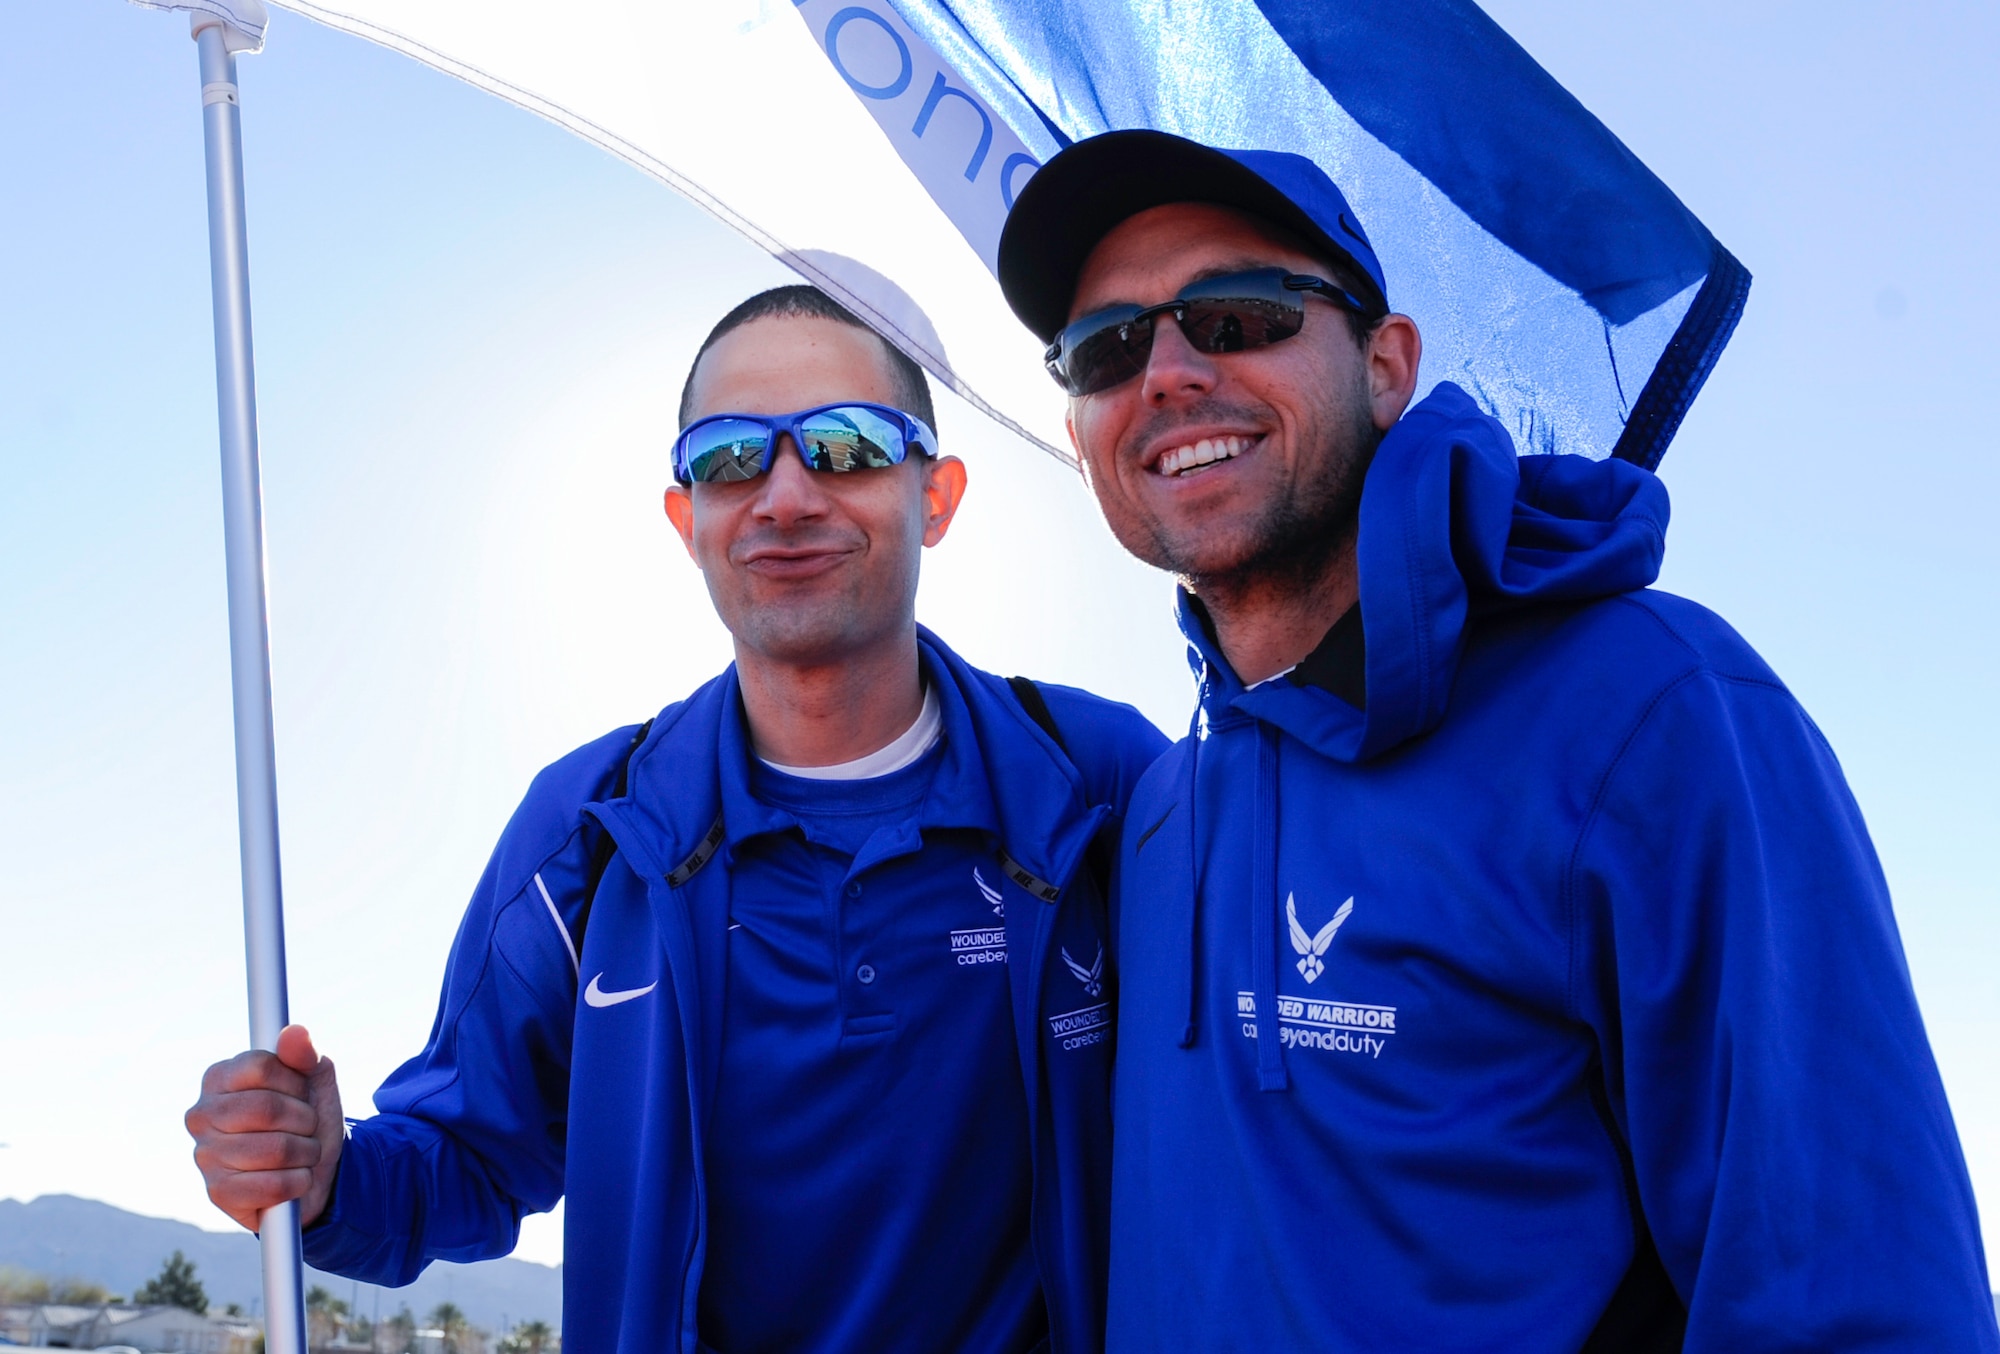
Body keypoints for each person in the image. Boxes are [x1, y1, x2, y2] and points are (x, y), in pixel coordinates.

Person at [995, 130, 1999, 1351]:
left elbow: (1855, 1305)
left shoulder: (1653, 710)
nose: (1161, 375)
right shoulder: (1155, 813)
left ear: (1383, 365)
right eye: (1105, 348)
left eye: (1237, 313)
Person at [184, 285, 1167, 1354]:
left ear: (935, 495)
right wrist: (325, 1175)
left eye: (845, 445)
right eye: (730, 457)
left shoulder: (1096, 784)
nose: (785, 495)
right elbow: (465, 1161)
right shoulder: (592, 832)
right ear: (684, 519)